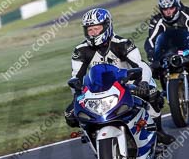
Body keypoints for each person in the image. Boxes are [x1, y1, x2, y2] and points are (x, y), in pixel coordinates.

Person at [65, 8, 175, 145]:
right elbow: (77, 76)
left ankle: (158, 132)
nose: (93, 33)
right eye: (90, 30)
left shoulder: (123, 43)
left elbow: (142, 66)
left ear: (107, 26)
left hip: (127, 83)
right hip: (97, 89)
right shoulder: (80, 50)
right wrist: (77, 95)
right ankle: (93, 138)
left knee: (152, 94)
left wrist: (144, 83)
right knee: (70, 115)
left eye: (96, 29)